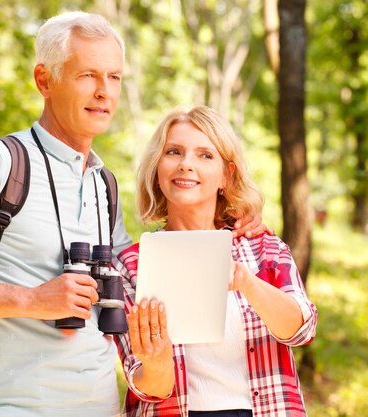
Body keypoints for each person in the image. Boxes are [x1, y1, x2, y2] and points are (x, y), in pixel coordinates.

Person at [0, 12, 263, 417]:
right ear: (44, 80)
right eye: (87, 75)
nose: (104, 91)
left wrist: (234, 220)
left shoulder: (105, 184)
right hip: (6, 406)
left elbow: (145, 271)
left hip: (98, 407)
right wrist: (32, 299)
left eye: (114, 77)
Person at [114, 105, 318, 417]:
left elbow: (301, 330)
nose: (186, 165)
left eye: (205, 155)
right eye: (173, 152)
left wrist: (247, 282)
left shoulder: (261, 246)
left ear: (226, 174)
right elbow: (149, 386)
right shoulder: (131, 265)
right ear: (157, 168)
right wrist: (156, 360)